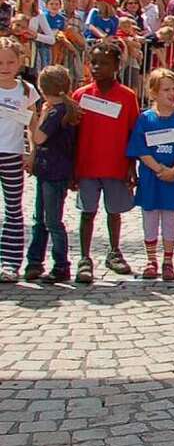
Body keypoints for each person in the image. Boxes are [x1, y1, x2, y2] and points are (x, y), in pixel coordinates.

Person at [72, 42, 140, 284]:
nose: (98, 67)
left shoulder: (127, 97)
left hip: (115, 165)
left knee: (114, 212)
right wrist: (73, 169)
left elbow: (134, 132)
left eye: (104, 63)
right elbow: (74, 134)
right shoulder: (80, 95)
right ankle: (84, 257)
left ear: (117, 66)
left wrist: (132, 166)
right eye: (94, 63)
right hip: (88, 166)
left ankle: (113, 251)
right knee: (87, 212)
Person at [127, 69, 174, 281]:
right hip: (151, 178)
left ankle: (168, 261)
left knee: (170, 220)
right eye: (166, 89)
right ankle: (151, 260)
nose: (172, 93)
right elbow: (140, 148)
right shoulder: (145, 119)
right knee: (150, 218)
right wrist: (158, 169)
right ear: (153, 93)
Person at [25, 66, 78, 284]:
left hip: (54, 172)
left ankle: (60, 265)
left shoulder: (56, 112)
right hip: (49, 170)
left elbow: (38, 137)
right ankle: (35, 260)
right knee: (41, 218)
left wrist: (38, 116)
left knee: (52, 221)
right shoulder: (65, 108)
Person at [0, 38, 40, 281]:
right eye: (0, 62)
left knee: (13, 209)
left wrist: (32, 152)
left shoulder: (26, 90)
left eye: (10, 62)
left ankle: (10, 263)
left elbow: (33, 124)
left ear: (20, 62)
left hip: (13, 154)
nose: (5, 67)